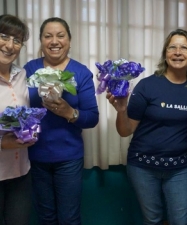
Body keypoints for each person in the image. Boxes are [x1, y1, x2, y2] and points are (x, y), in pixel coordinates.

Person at [106, 29, 187, 225]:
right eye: (172, 47)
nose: (177, 52)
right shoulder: (147, 86)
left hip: (180, 169)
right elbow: (125, 131)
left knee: (181, 221)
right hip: (143, 168)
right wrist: (121, 110)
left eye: (184, 48)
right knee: (152, 220)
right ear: (165, 54)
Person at [24, 17, 99, 225]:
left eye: (60, 35)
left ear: (69, 40)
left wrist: (69, 112)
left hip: (68, 157)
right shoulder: (29, 69)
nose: (54, 41)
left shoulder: (81, 72)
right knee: (45, 217)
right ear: (41, 41)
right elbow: (18, 107)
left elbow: (92, 118)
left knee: (69, 218)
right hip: (34, 156)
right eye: (48, 36)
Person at [0, 14, 32, 225]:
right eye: (3, 36)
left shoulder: (22, 75)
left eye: (17, 40)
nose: (10, 45)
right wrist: (3, 143)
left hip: (21, 172)